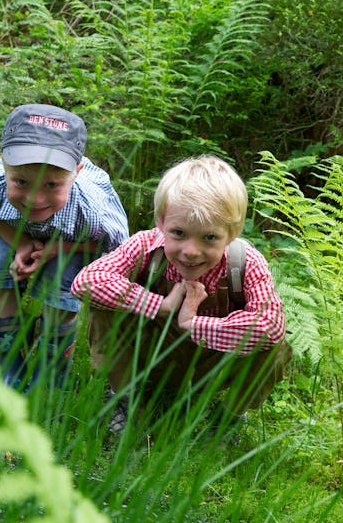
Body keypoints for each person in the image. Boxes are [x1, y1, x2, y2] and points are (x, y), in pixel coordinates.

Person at [71, 155, 291, 435]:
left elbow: (270, 325)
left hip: (212, 362)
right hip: (151, 355)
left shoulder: (245, 262)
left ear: (232, 233)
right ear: (161, 222)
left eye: (209, 237)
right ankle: (124, 399)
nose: (190, 250)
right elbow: (87, 281)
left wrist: (194, 324)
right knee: (104, 305)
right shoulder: (145, 246)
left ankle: (228, 419)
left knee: (273, 344)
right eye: (179, 233)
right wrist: (158, 304)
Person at [0, 103, 129, 391]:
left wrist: (54, 251)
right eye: (21, 181)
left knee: (61, 283)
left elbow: (110, 243)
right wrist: (21, 242)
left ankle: (52, 374)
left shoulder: (90, 208)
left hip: (74, 240)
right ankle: (7, 362)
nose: (35, 199)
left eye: (51, 185)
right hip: (15, 227)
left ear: (76, 172)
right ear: (4, 164)